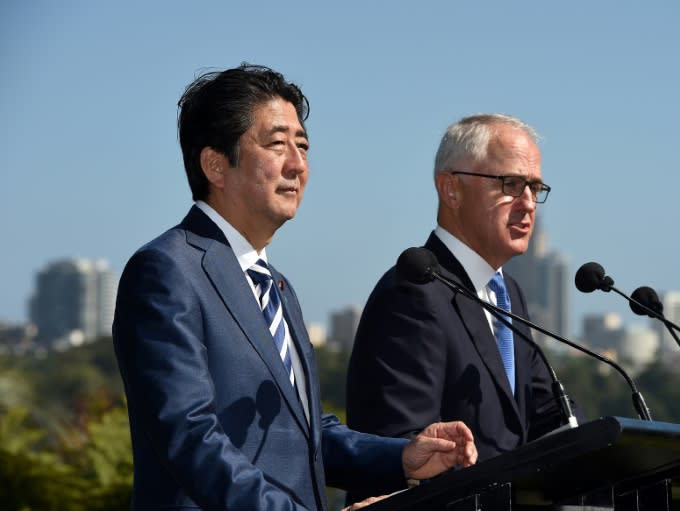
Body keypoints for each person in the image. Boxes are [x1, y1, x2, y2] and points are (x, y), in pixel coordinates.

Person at [112, 63, 477, 511]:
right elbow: (191, 439)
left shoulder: (277, 286)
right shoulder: (167, 271)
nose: (298, 164)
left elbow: (308, 432)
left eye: (302, 146)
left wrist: (402, 456)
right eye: (277, 144)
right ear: (215, 165)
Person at [346, 114, 582, 499]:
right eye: (510, 184)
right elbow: (401, 449)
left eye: (535, 187)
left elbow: (548, 416)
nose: (527, 204)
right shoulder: (413, 293)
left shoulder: (509, 294)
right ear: (451, 189)